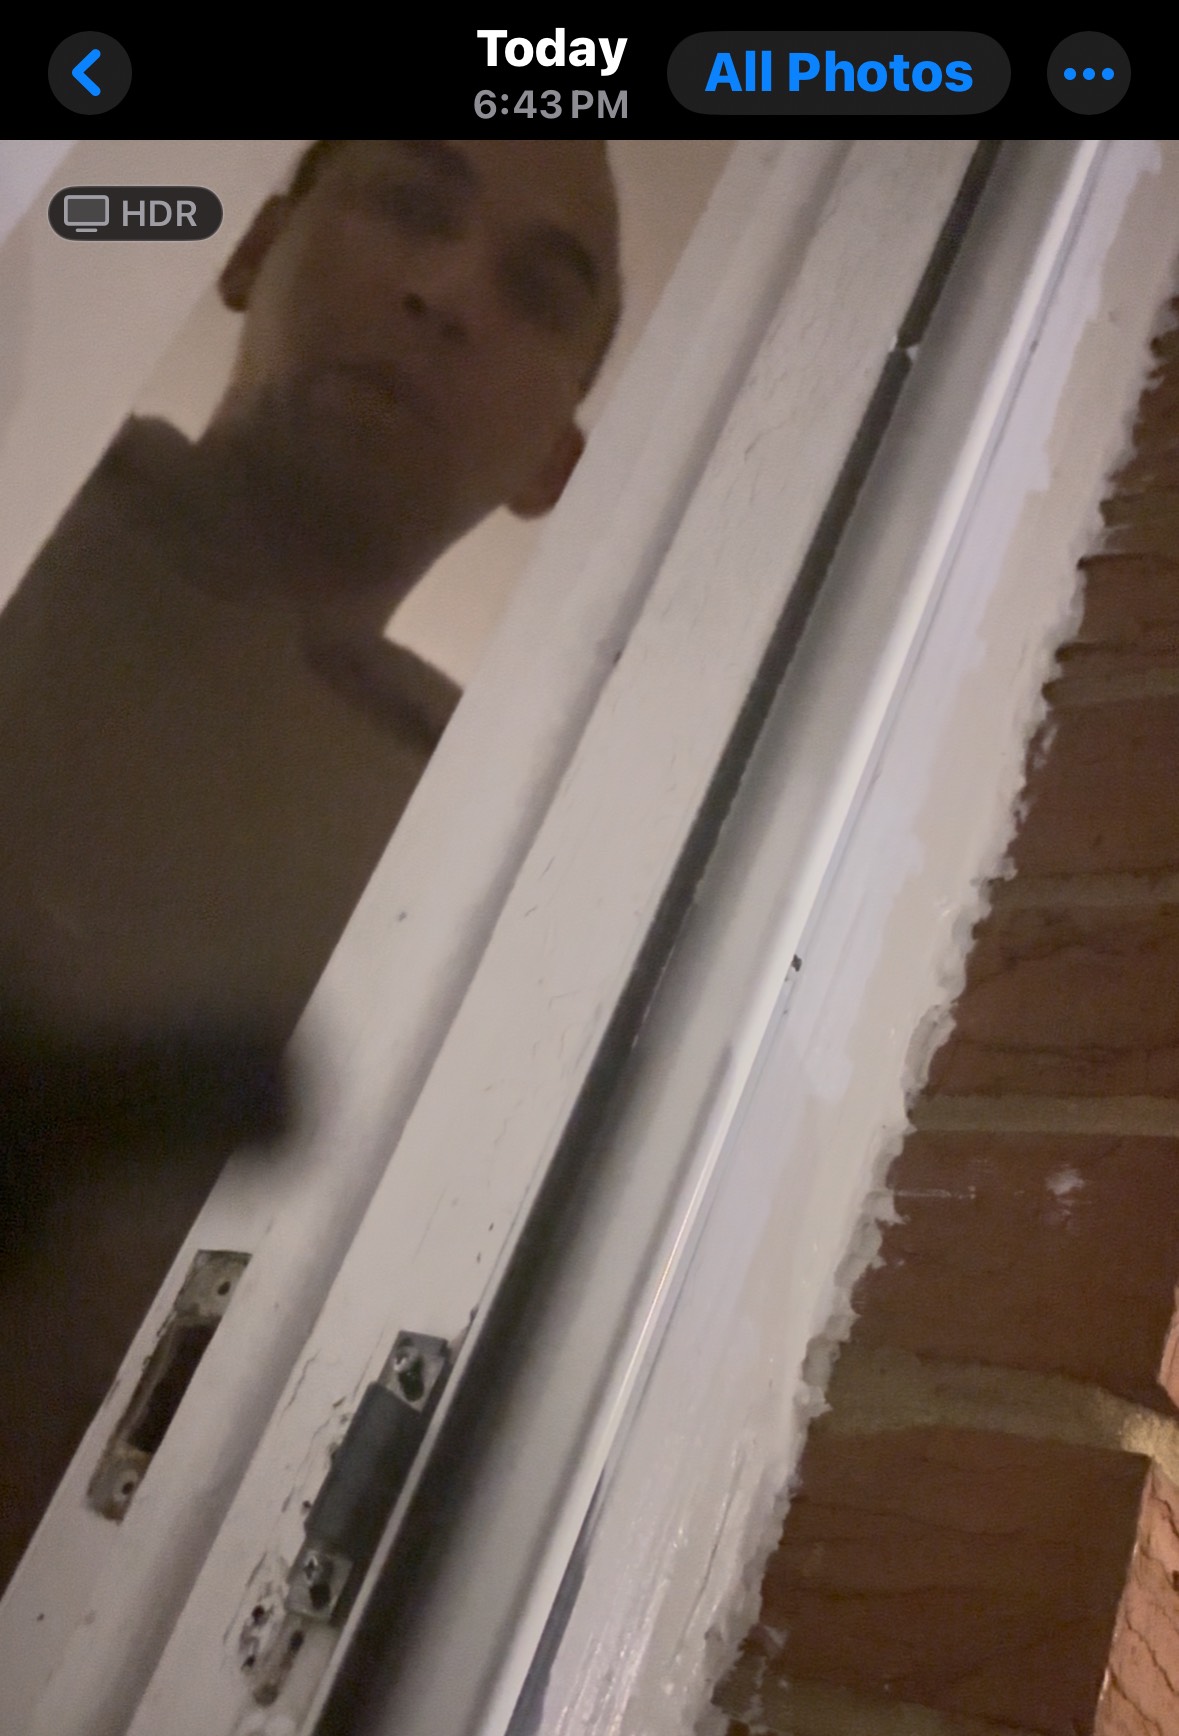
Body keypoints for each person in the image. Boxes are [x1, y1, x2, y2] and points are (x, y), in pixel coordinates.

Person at [0, 139, 622, 1588]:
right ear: (248, 248)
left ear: (556, 463)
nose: (447, 294)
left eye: (536, 294)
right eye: (409, 203)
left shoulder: (518, 871)